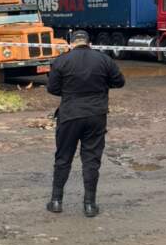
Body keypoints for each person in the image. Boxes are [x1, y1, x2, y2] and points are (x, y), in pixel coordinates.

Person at [45, 29, 125, 217]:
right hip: (96, 115)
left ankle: (56, 201)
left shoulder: (61, 61)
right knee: (91, 159)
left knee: (63, 157)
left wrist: (70, 92)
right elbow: (119, 82)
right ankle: (90, 204)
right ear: (89, 43)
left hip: (69, 115)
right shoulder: (104, 60)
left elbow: (52, 88)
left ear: (71, 43)